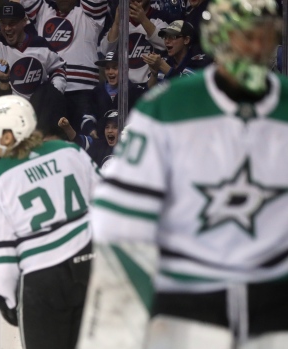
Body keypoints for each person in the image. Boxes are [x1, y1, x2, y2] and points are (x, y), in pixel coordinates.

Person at [91, 0, 288, 347]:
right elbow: (119, 220)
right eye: (238, 35)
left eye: (261, 34)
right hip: (186, 304)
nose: (252, 46)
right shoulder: (165, 108)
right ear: (215, 37)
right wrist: (115, 331)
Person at [0, 95, 97, 349]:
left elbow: (2, 260)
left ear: (8, 136)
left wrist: (7, 299)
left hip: (42, 281)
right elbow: (110, 208)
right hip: (91, 266)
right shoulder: (70, 151)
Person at [19, 0, 109, 134]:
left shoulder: (90, 14)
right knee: (52, 139)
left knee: (82, 139)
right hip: (52, 91)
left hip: (84, 92)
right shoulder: (43, 11)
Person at [0, 0, 67, 100]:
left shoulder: (40, 45)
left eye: (12, 23)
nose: (7, 28)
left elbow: (58, 68)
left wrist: (55, 92)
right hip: (4, 112)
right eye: (3, 23)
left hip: (36, 114)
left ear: (24, 22)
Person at [101, 0, 171, 86]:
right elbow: (106, 50)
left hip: (151, 85)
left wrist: (143, 19)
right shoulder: (121, 20)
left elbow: (165, 44)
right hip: (125, 89)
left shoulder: (161, 16)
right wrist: (116, 23)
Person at [80, 51, 146, 138]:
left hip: (126, 141)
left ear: (125, 69)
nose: (110, 72)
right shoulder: (97, 91)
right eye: (107, 68)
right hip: (102, 141)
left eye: (115, 68)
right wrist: (91, 130)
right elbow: (88, 116)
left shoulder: (134, 90)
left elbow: (141, 119)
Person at [143, 20, 212, 87]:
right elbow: (151, 93)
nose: (167, 41)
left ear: (186, 40)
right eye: (165, 37)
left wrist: (161, 64)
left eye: (172, 37)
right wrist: (154, 74)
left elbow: (187, 86)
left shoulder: (200, 60)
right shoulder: (166, 61)